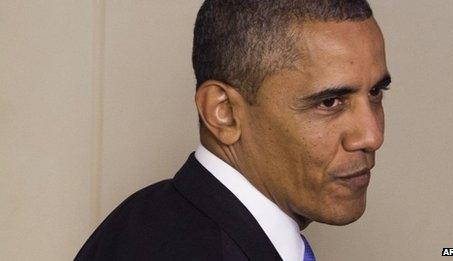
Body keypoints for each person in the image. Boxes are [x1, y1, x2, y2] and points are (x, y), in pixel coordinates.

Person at [76, 0, 391, 260]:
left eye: (376, 93)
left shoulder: (152, 219)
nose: (371, 136)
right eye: (330, 101)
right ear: (223, 112)